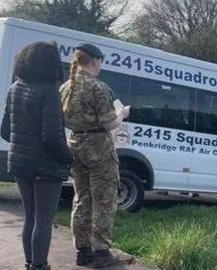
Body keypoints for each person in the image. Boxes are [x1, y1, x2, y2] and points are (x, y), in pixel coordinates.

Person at [0, 42, 73, 270]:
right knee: (43, 221)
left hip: (20, 163)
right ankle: (40, 266)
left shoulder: (14, 88)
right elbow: (52, 137)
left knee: (30, 218)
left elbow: (5, 131)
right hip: (46, 167)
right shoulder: (49, 91)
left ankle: (30, 263)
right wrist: (69, 157)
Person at [60, 43, 130, 268]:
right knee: (104, 199)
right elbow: (110, 123)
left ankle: (82, 251)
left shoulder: (65, 87)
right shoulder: (99, 88)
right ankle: (102, 253)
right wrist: (122, 114)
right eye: (101, 62)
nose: (101, 66)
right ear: (94, 61)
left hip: (75, 143)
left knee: (81, 197)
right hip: (98, 147)